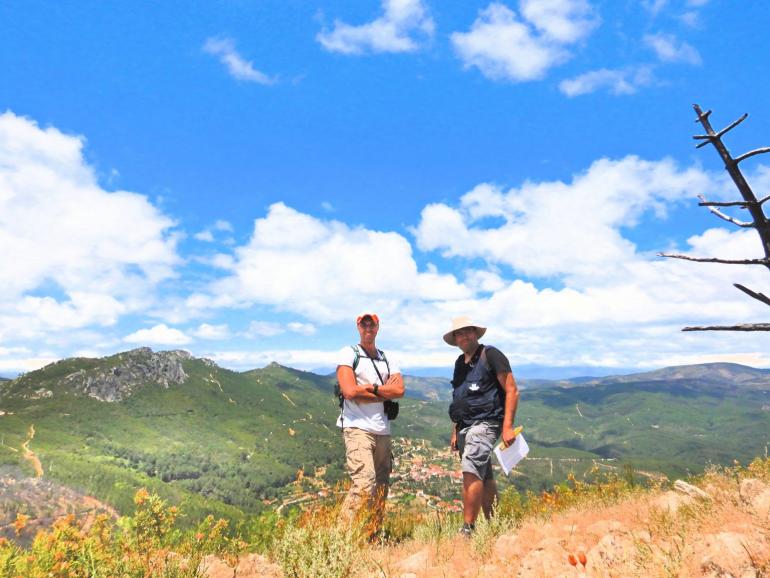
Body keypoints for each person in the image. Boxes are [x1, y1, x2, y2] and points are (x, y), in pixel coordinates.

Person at [444, 315, 520, 537]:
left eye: (468, 331)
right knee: (484, 477)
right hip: (465, 427)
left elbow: (512, 390)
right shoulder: (460, 363)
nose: (464, 336)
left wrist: (507, 427)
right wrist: (455, 431)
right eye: (459, 333)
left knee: (470, 468)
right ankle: (495, 525)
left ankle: (468, 529)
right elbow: (459, 397)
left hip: (486, 423)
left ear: (475, 333)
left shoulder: (491, 355)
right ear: (455, 339)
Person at [336, 312, 404, 527]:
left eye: (371, 324)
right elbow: (349, 392)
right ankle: (339, 540)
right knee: (364, 484)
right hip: (357, 427)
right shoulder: (349, 353)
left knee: (381, 487)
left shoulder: (387, 358)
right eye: (363, 324)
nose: (368, 328)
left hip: (382, 430)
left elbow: (400, 390)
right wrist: (385, 391)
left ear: (377, 327)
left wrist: (370, 387)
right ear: (358, 327)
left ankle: (372, 536)